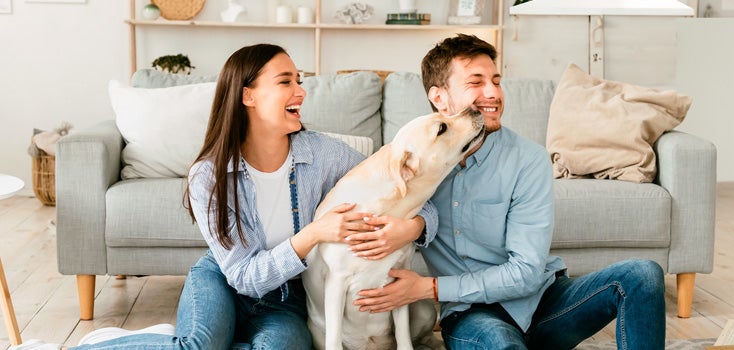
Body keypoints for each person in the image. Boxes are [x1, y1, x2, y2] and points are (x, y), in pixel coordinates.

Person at [12, 43, 438, 350]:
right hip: (223, 280)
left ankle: (162, 339)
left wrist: (413, 227)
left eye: (300, 80)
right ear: (248, 95)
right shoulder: (209, 176)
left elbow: (412, 196)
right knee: (197, 346)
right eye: (286, 81)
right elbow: (244, 277)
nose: (301, 91)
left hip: (287, 297)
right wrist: (313, 234)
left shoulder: (325, 154)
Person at [353, 34, 665, 350]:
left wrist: (429, 288)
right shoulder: (415, 163)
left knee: (642, 274)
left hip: (546, 301)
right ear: (439, 97)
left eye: (496, 81)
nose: (493, 94)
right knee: (502, 344)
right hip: (473, 315)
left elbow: (527, 273)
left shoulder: (528, 159)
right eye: (476, 83)